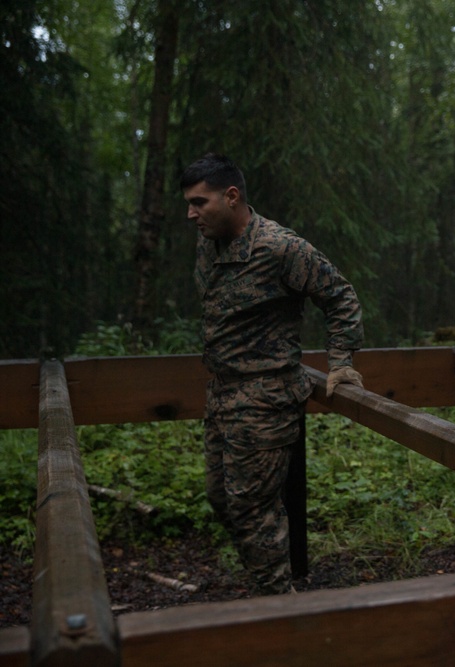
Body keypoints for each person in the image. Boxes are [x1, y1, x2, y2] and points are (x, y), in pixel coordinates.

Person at [181, 153, 364, 594]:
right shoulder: (210, 244)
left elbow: (340, 297)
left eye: (199, 203)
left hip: (265, 400)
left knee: (253, 511)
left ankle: (278, 609)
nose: (190, 214)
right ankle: (272, 590)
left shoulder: (280, 248)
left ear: (231, 196)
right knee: (221, 498)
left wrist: (340, 363)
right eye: (188, 203)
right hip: (222, 396)